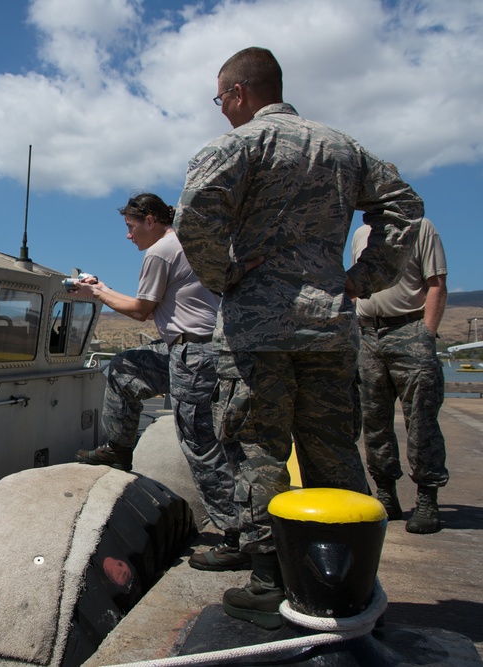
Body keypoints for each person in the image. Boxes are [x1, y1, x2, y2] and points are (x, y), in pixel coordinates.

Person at [174, 47, 423, 629]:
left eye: (220, 100)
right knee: (333, 448)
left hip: (258, 332)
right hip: (330, 328)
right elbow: (404, 207)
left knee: (258, 447)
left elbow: (194, 215)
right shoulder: (343, 148)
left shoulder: (237, 147)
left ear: (238, 93)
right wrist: (364, 278)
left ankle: (269, 577)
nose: (221, 111)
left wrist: (223, 276)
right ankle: (348, 576)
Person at [73, 193, 249, 572]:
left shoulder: (160, 251)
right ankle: (119, 447)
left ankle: (237, 536)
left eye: (131, 227)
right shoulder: (185, 244)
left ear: (150, 220)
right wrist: (101, 288)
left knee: (200, 443)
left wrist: (96, 292)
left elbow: (140, 311)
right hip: (200, 350)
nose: (128, 236)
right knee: (124, 367)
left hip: (195, 355)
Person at [353, 217, 448, 534]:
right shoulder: (362, 234)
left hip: (409, 330)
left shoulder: (421, 228)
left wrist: (427, 335)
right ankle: (385, 493)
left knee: (420, 418)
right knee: (374, 419)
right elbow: (356, 288)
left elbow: (436, 284)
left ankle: (427, 498)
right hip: (368, 336)